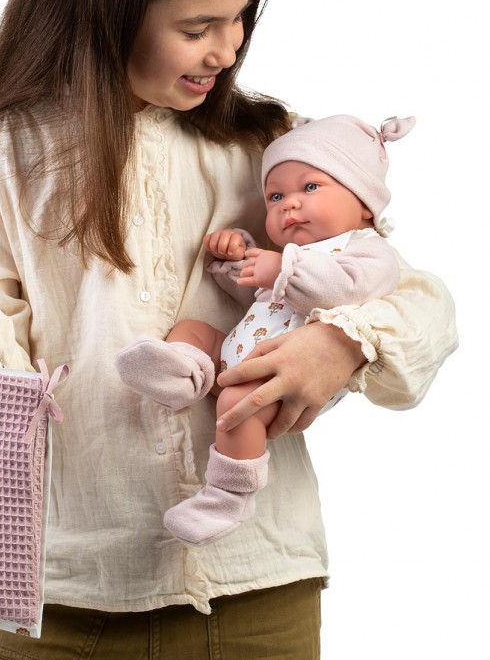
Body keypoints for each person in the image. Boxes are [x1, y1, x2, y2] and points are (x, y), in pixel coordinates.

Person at [0, 0, 457, 657]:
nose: (226, 50)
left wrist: (343, 344)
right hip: (68, 597)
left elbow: (420, 301)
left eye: (239, 18)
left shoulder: (271, 150)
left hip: (260, 591)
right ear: (105, 12)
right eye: (196, 28)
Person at [115, 113, 413, 547]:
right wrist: (237, 257)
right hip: (242, 352)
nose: (289, 204)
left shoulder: (368, 253)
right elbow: (252, 300)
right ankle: (184, 375)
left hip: (289, 376)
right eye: (275, 196)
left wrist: (281, 269)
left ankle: (228, 497)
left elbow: (345, 291)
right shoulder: (290, 254)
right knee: (192, 329)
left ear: (365, 203)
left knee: (238, 402)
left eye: (310, 187)